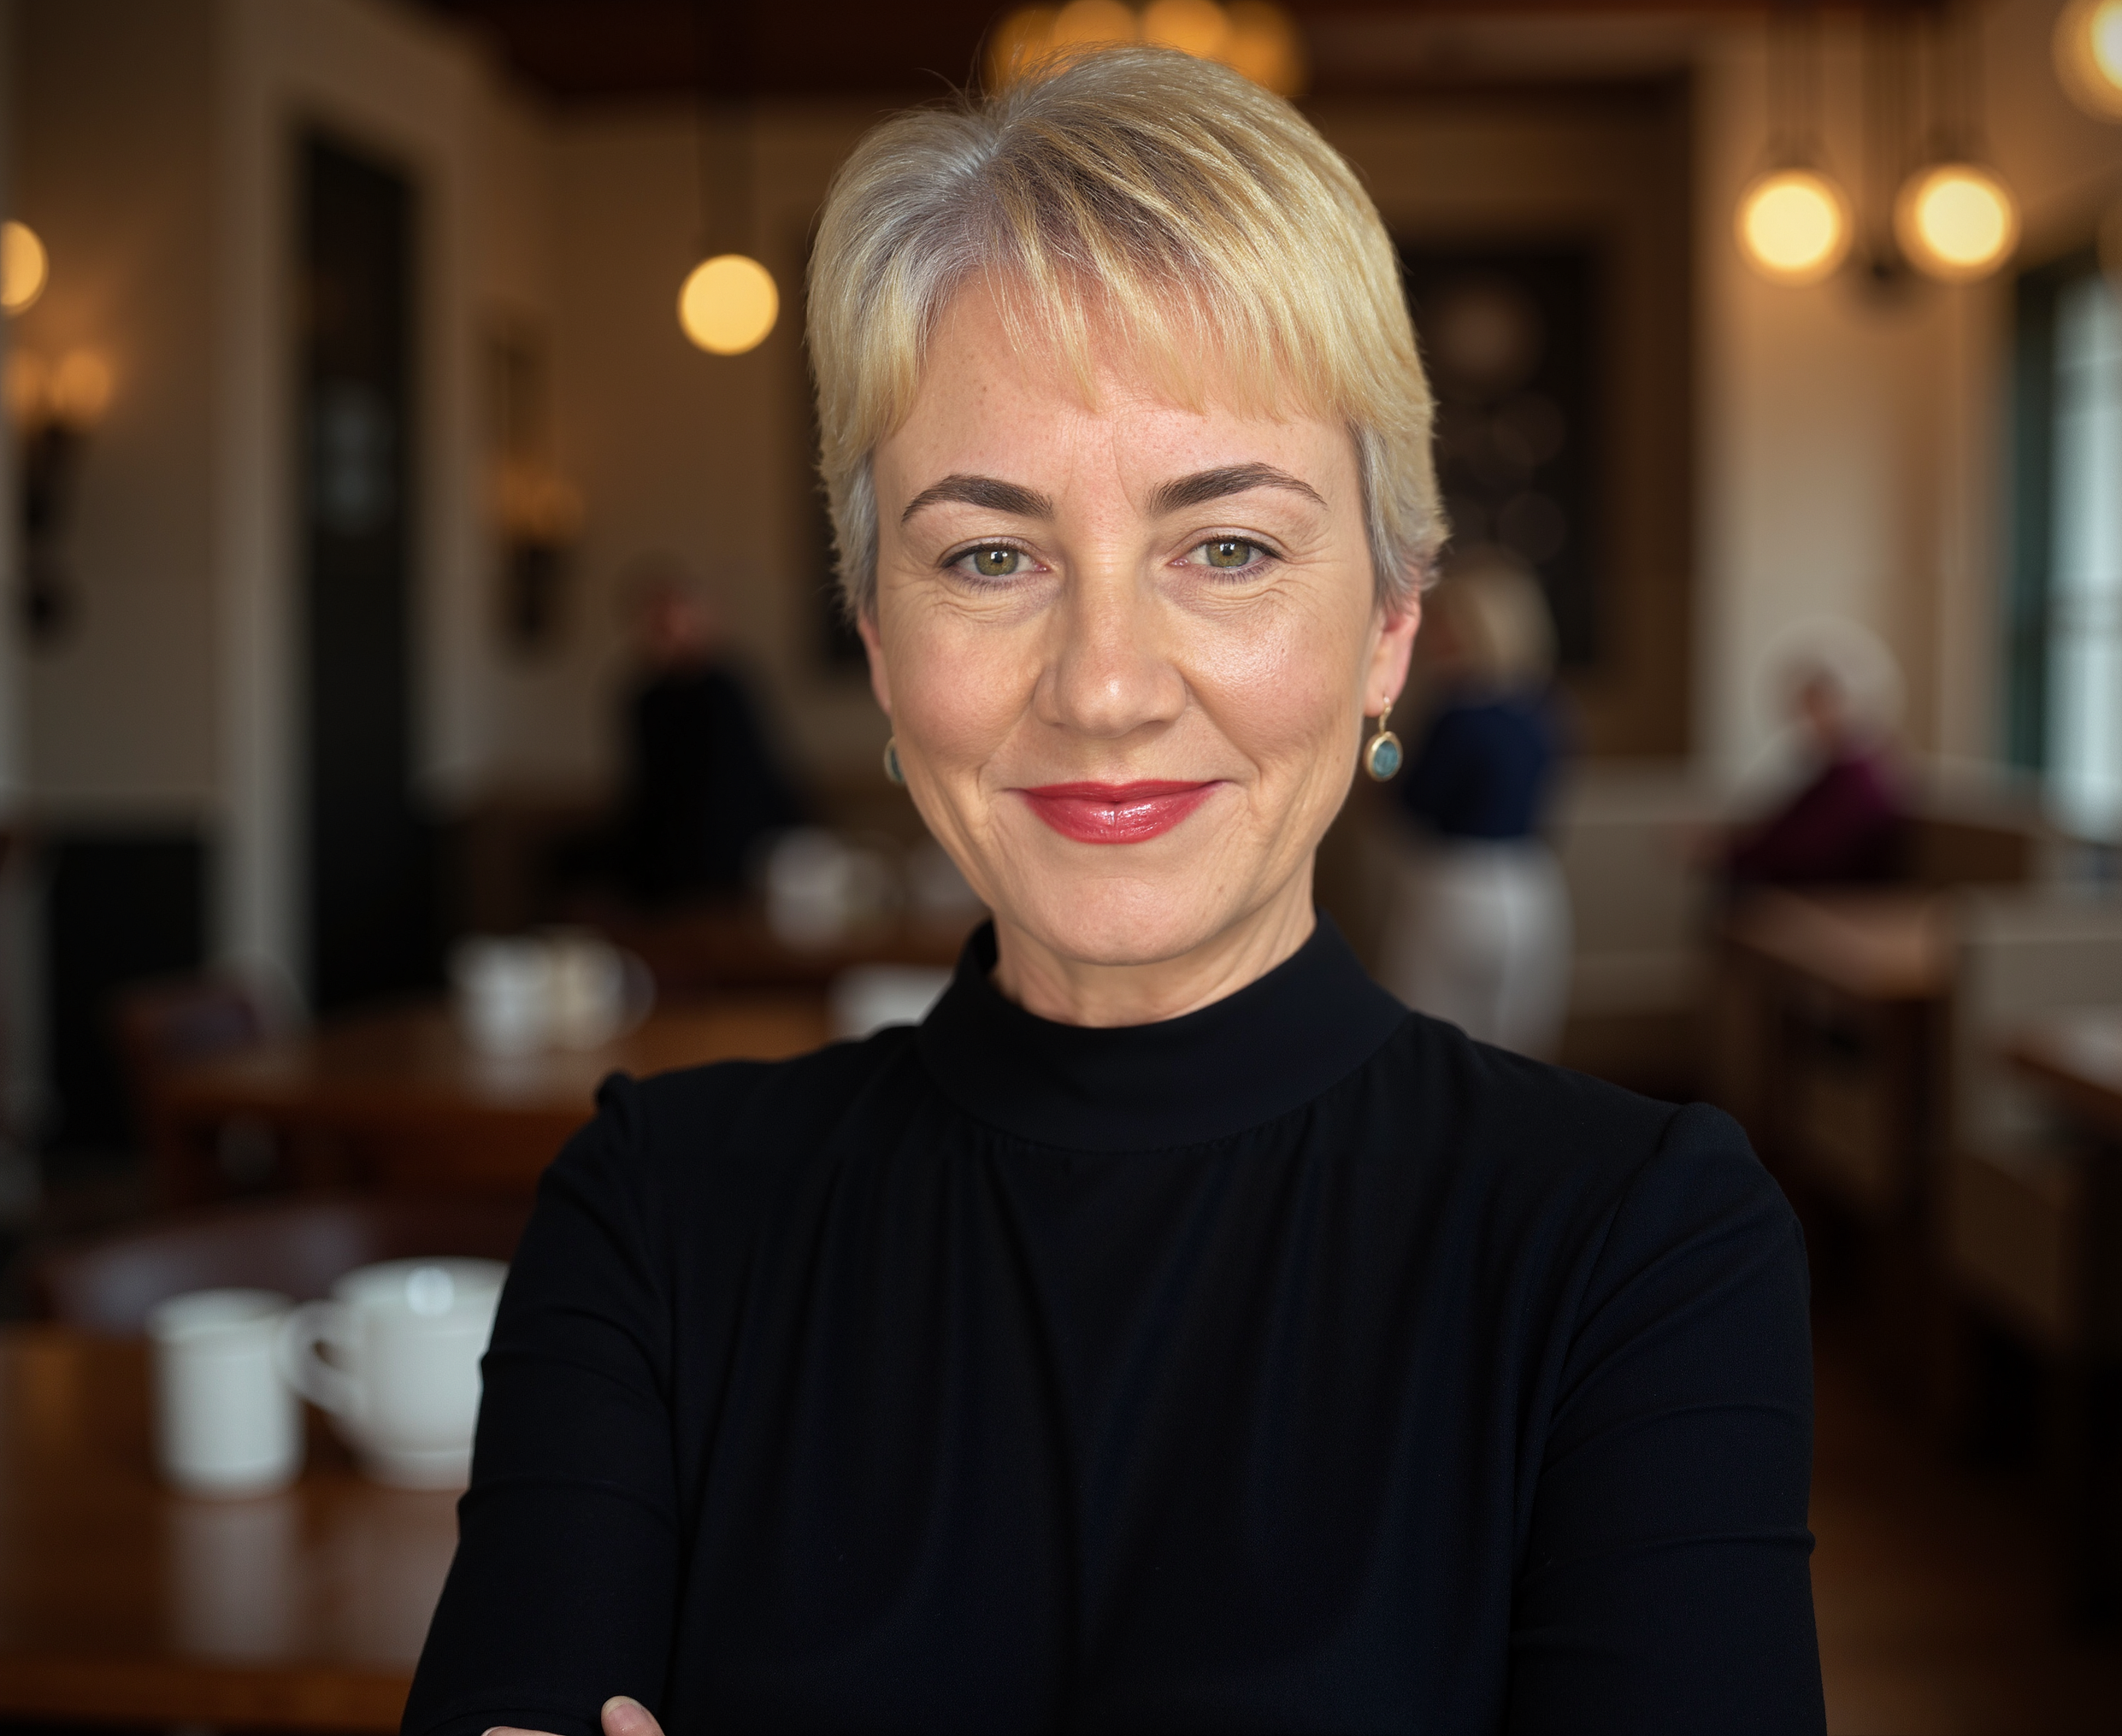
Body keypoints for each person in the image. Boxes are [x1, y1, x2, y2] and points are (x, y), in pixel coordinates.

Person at [406, 46, 1820, 1736]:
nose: (1101, 685)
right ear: (879, 639)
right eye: (988, 554)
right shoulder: (652, 1217)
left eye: (1223, 545)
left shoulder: (1634, 1246)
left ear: (1386, 629)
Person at [1380, 551, 1570, 1057]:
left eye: (1446, 626)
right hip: (1533, 886)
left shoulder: (1458, 713)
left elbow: (1411, 805)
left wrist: (1382, 765)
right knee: (1517, 1049)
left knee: (1432, 1045)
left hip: (1455, 888)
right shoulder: (1547, 708)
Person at [616, 561, 802, 905]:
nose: (667, 630)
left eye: (675, 617)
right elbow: (646, 793)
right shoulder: (645, 699)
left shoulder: (726, 689)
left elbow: (741, 789)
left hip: (732, 862)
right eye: (657, 621)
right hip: (669, 867)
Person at [1724, 621, 1907, 888]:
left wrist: (1726, 853)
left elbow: (1804, 850)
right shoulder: (1832, 769)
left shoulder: (1857, 776)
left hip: (1837, 899)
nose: (1806, 718)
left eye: (1817, 704)